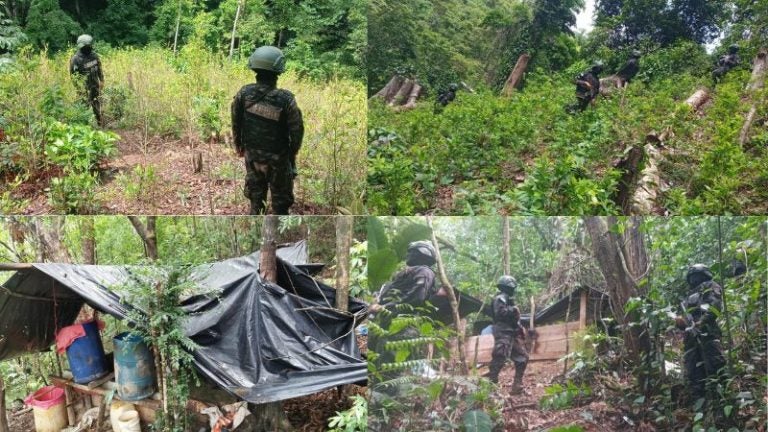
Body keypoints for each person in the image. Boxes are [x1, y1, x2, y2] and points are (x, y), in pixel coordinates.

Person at [231, 45, 304, 215]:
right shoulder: (286, 100)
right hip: (278, 159)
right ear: (278, 70)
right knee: (281, 207)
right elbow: (297, 130)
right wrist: (291, 153)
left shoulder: (244, 93)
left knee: (256, 204)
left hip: (253, 157)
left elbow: (236, 122)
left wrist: (239, 145)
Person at [675, 264, 727, 402]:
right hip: (691, 338)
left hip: (708, 333)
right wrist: (680, 322)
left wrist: (702, 322)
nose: (694, 279)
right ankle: (700, 406)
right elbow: (685, 318)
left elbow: (715, 306)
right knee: (693, 372)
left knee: (715, 366)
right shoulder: (688, 296)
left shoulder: (711, 286)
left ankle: (721, 401)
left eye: (696, 275)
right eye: (692, 276)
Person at [486, 275, 529, 394]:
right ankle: (491, 388)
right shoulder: (500, 298)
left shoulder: (508, 300)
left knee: (522, 357)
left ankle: (517, 386)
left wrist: (520, 328)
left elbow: (514, 319)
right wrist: (514, 310)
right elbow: (501, 313)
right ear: (508, 286)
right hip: (503, 332)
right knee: (499, 358)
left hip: (512, 333)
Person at [69, 34, 104, 126]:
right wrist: (80, 89)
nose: (87, 48)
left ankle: (100, 125)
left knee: (98, 108)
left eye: (88, 46)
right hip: (83, 89)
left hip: (95, 87)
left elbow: (99, 68)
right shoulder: (76, 59)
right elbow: (73, 77)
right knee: (83, 109)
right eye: (85, 46)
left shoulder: (94, 56)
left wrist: (102, 80)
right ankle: (84, 128)